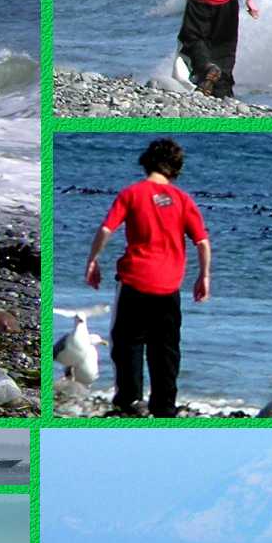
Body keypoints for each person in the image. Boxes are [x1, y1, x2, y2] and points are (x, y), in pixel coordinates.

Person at [85, 138, 211, 417]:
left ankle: (131, 400)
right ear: (176, 168)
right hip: (169, 286)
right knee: (166, 348)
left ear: (147, 161)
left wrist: (93, 260)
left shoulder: (132, 194)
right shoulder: (183, 200)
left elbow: (107, 229)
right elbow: (202, 242)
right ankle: (164, 404)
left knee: (127, 341)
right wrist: (204, 276)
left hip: (135, 282)